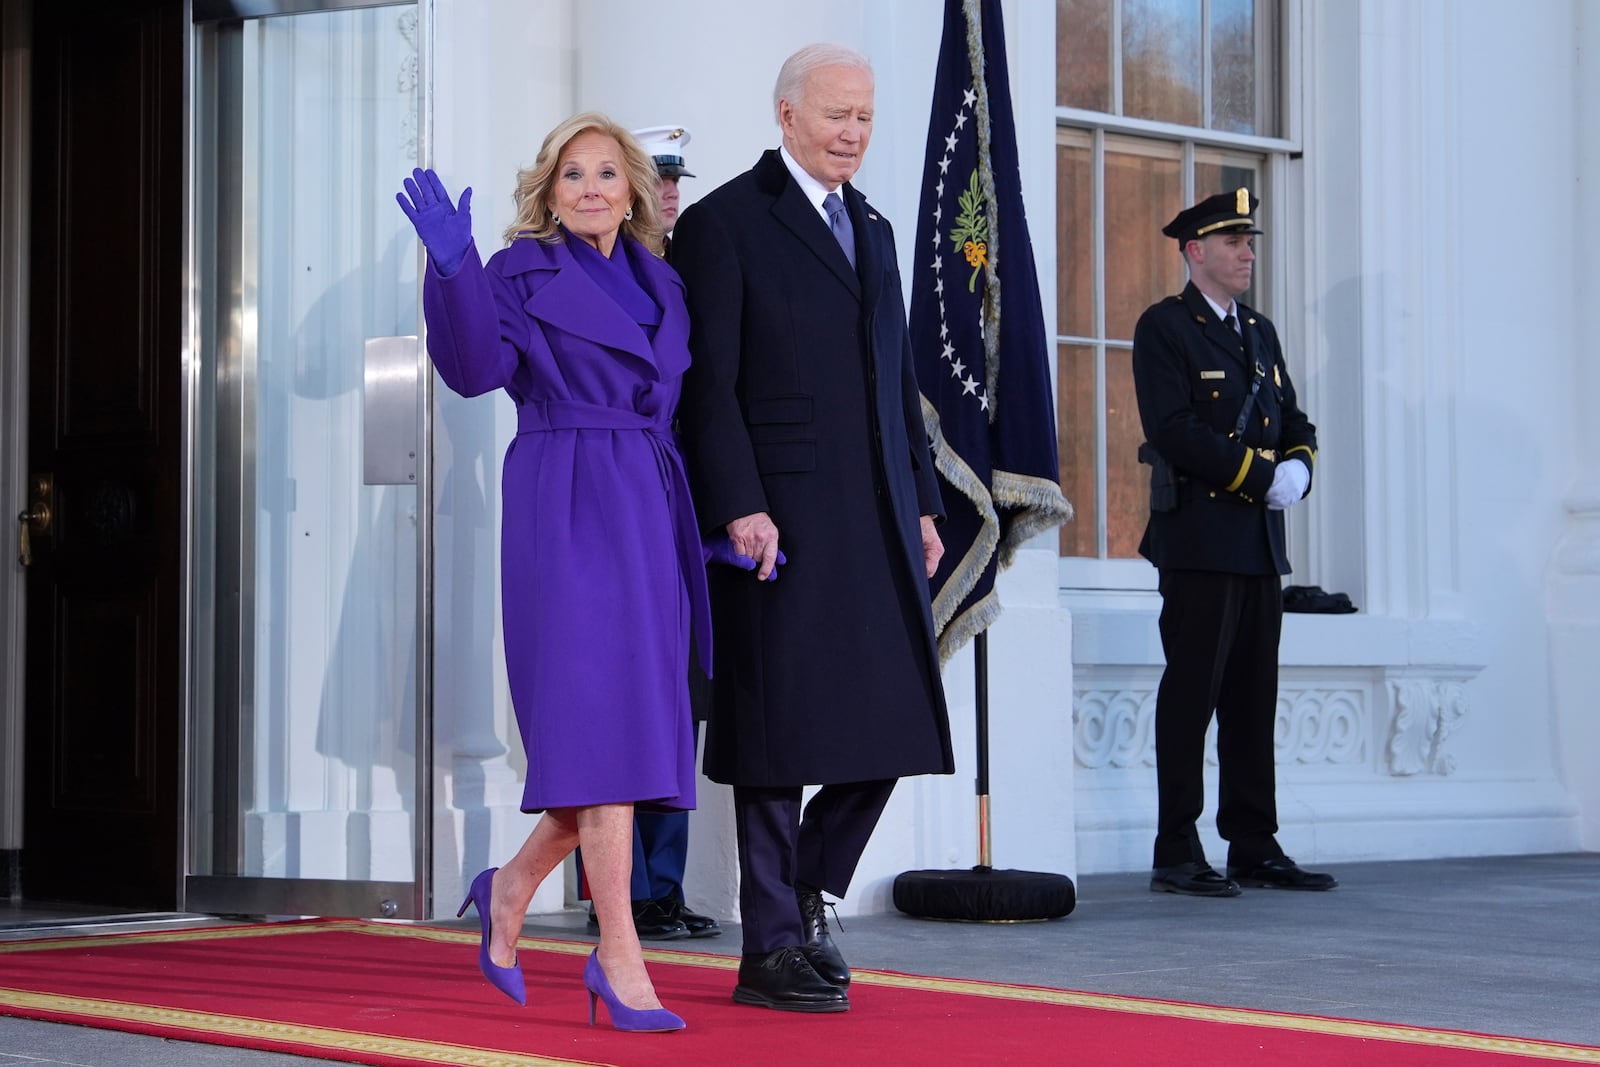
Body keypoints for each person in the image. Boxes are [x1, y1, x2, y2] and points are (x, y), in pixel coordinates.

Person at [395, 112, 730, 1033]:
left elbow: (675, 413)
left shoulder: (664, 282)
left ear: (634, 189)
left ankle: (509, 890)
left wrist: (708, 528)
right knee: (600, 731)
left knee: (624, 739)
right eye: (571, 175)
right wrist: (453, 268)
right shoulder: (517, 274)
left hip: (647, 504)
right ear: (548, 192)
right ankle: (619, 955)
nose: (590, 188)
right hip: (567, 502)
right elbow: (471, 370)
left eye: (606, 173)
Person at [671, 43, 955, 1013]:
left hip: (876, 512)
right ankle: (770, 948)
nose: (852, 132)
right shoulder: (721, 225)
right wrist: (738, 501)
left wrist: (921, 498)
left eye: (866, 118)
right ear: (786, 113)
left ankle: (802, 886)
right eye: (837, 114)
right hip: (777, 521)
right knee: (777, 736)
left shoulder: (872, 227)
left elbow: (899, 377)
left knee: (897, 718)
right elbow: (705, 385)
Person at [1131, 188, 1337, 898]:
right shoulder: (1165, 327)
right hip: (1198, 541)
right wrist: (1261, 475)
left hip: (1256, 546)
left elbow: (1294, 417)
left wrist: (1302, 466)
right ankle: (1177, 846)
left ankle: (1252, 839)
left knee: (1254, 696)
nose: (1248, 253)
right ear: (1195, 252)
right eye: (1232, 242)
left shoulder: (1259, 332)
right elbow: (1174, 429)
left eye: (1249, 241)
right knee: (1191, 697)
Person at [579, 124, 723, 943]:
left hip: (676, 503)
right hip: (605, 498)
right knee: (608, 697)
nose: (670, 195)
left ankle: (658, 886)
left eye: (675, 183)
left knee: (674, 703)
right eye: (656, 180)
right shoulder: (593, 269)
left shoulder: (677, 278)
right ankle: (615, 886)